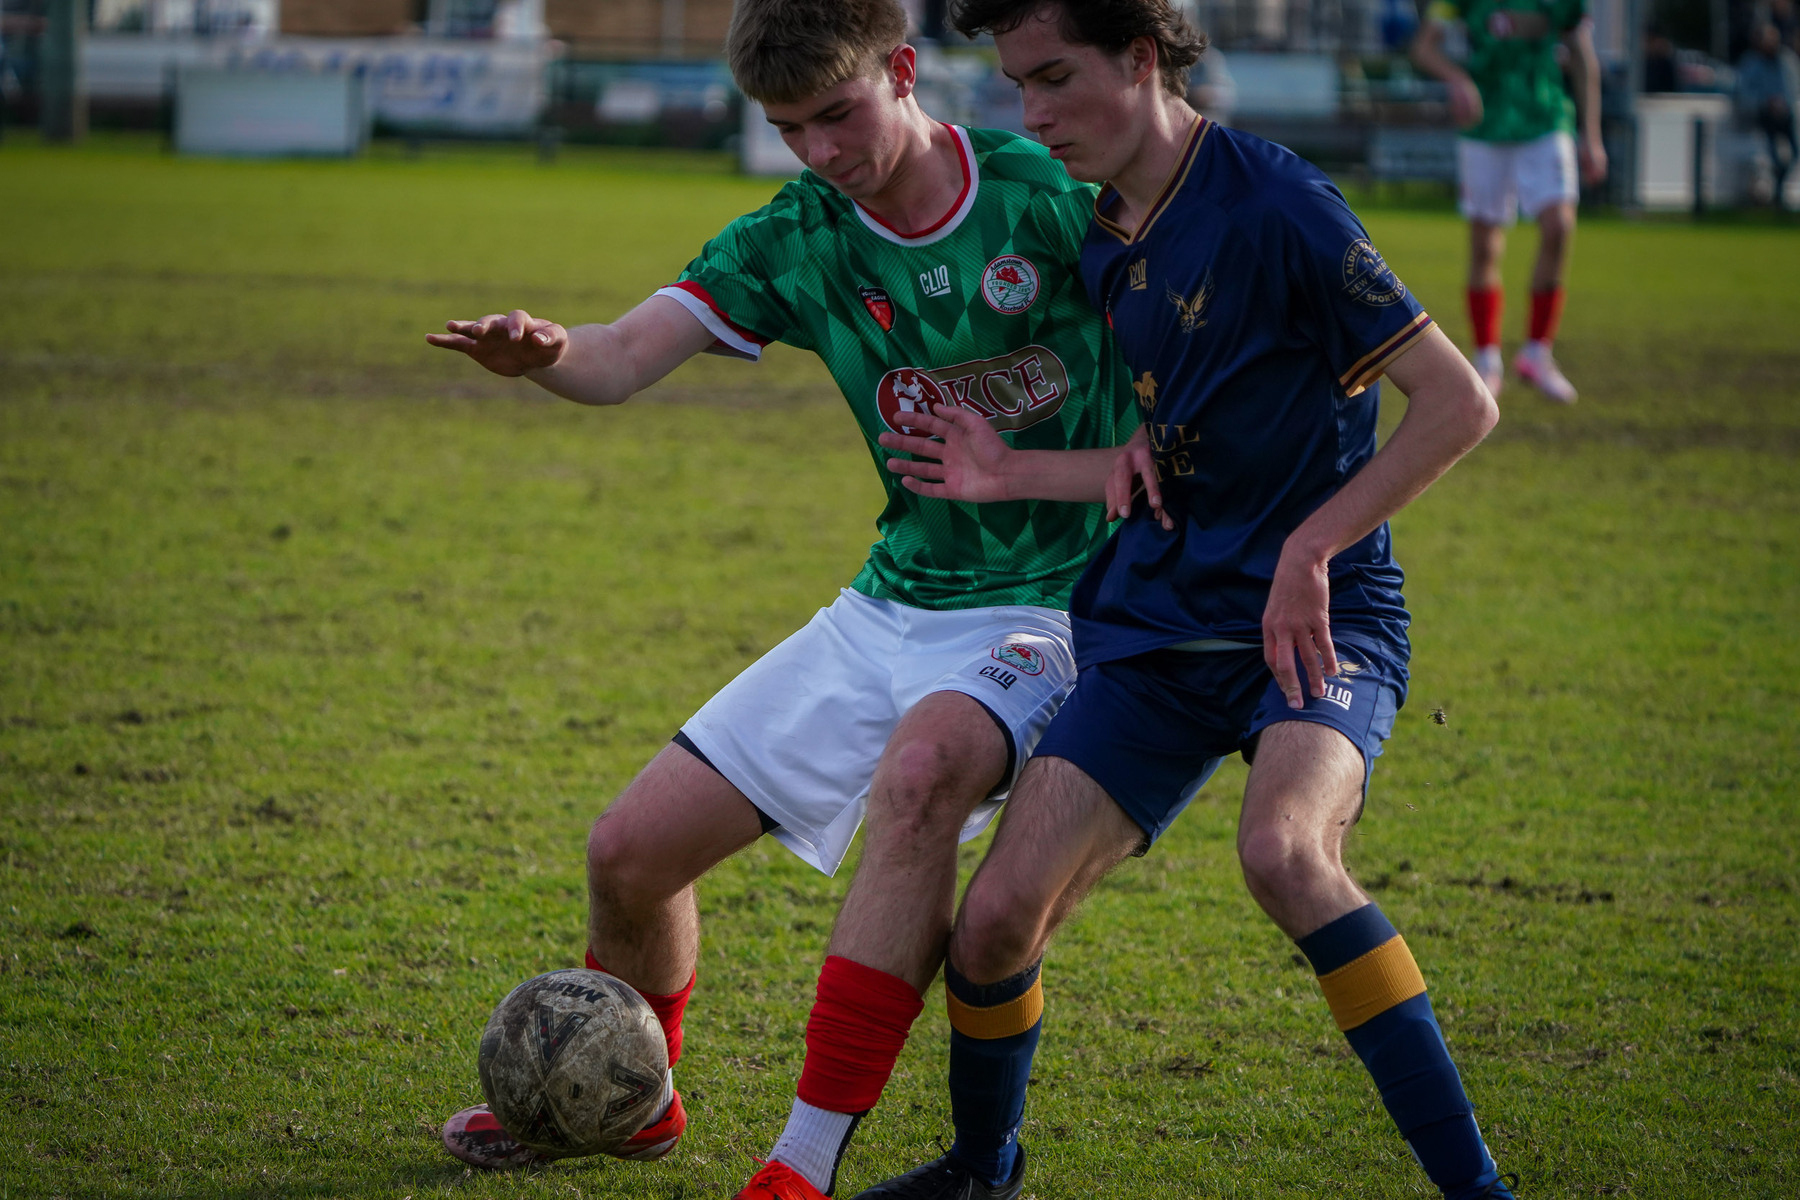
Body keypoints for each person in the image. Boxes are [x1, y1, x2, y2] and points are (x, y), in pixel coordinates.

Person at [423, 0, 1140, 1194]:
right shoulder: (801, 234)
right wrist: (548, 354)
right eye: (788, 127)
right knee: (628, 857)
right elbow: (622, 354)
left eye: (839, 115)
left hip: (1059, 604)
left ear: (904, 71)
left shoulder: (1044, 194)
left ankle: (799, 1166)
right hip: (890, 603)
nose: (818, 151)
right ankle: (641, 1103)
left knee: (919, 778)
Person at [848, 1, 1510, 1198]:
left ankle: (1479, 1191)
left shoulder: (1277, 203)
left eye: (1054, 80)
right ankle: (981, 1168)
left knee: (1285, 852)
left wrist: (1311, 549)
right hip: (1156, 627)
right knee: (993, 924)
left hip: (1315, 621)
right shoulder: (1104, 234)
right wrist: (1009, 471)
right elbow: (1158, 451)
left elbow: (1460, 403)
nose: (1032, 116)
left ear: (1143, 59)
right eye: (1014, 87)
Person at [1412, 0, 1607, 403]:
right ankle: (1487, 360)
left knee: (1560, 227)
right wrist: (1458, 78)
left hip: (1545, 117)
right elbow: (1423, 48)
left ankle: (1538, 352)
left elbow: (1584, 56)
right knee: (1485, 244)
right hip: (1484, 125)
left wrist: (1591, 135)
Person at [1737, 21, 1800, 209]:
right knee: (1772, 158)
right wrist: (1766, 103)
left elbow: (1793, 87)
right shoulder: (1751, 63)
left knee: (1794, 154)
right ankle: (1774, 195)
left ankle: (1778, 191)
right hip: (1762, 118)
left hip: (1785, 116)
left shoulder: (1786, 60)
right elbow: (1744, 93)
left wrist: (1783, 104)